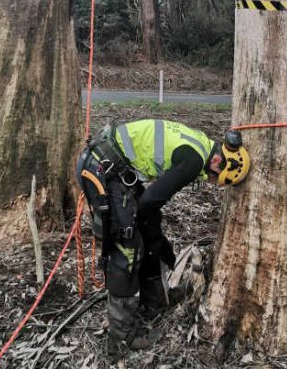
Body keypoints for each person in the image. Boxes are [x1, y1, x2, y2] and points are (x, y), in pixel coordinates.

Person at [76, 119, 250, 356]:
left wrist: (155, 237)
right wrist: (152, 235)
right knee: (127, 246)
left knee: (149, 231)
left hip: (116, 167)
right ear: (218, 160)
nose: (210, 181)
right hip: (102, 169)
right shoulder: (194, 161)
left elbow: (151, 206)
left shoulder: (202, 144)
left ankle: (155, 302)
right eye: (215, 177)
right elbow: (149, 202)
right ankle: (120, 337)